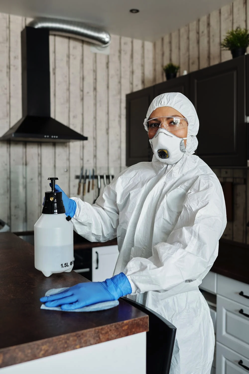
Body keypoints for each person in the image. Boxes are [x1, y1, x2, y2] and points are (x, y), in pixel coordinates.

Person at [41, 92, 227, 374]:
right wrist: (74, 209)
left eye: (173, 122)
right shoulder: (134, 176)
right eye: (154, 124)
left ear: (191, 128)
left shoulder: (202, 182)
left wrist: (114, 286)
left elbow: (188, 252)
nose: (162, 131)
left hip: (175, 312)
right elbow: (105, 222)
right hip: (130, 306)